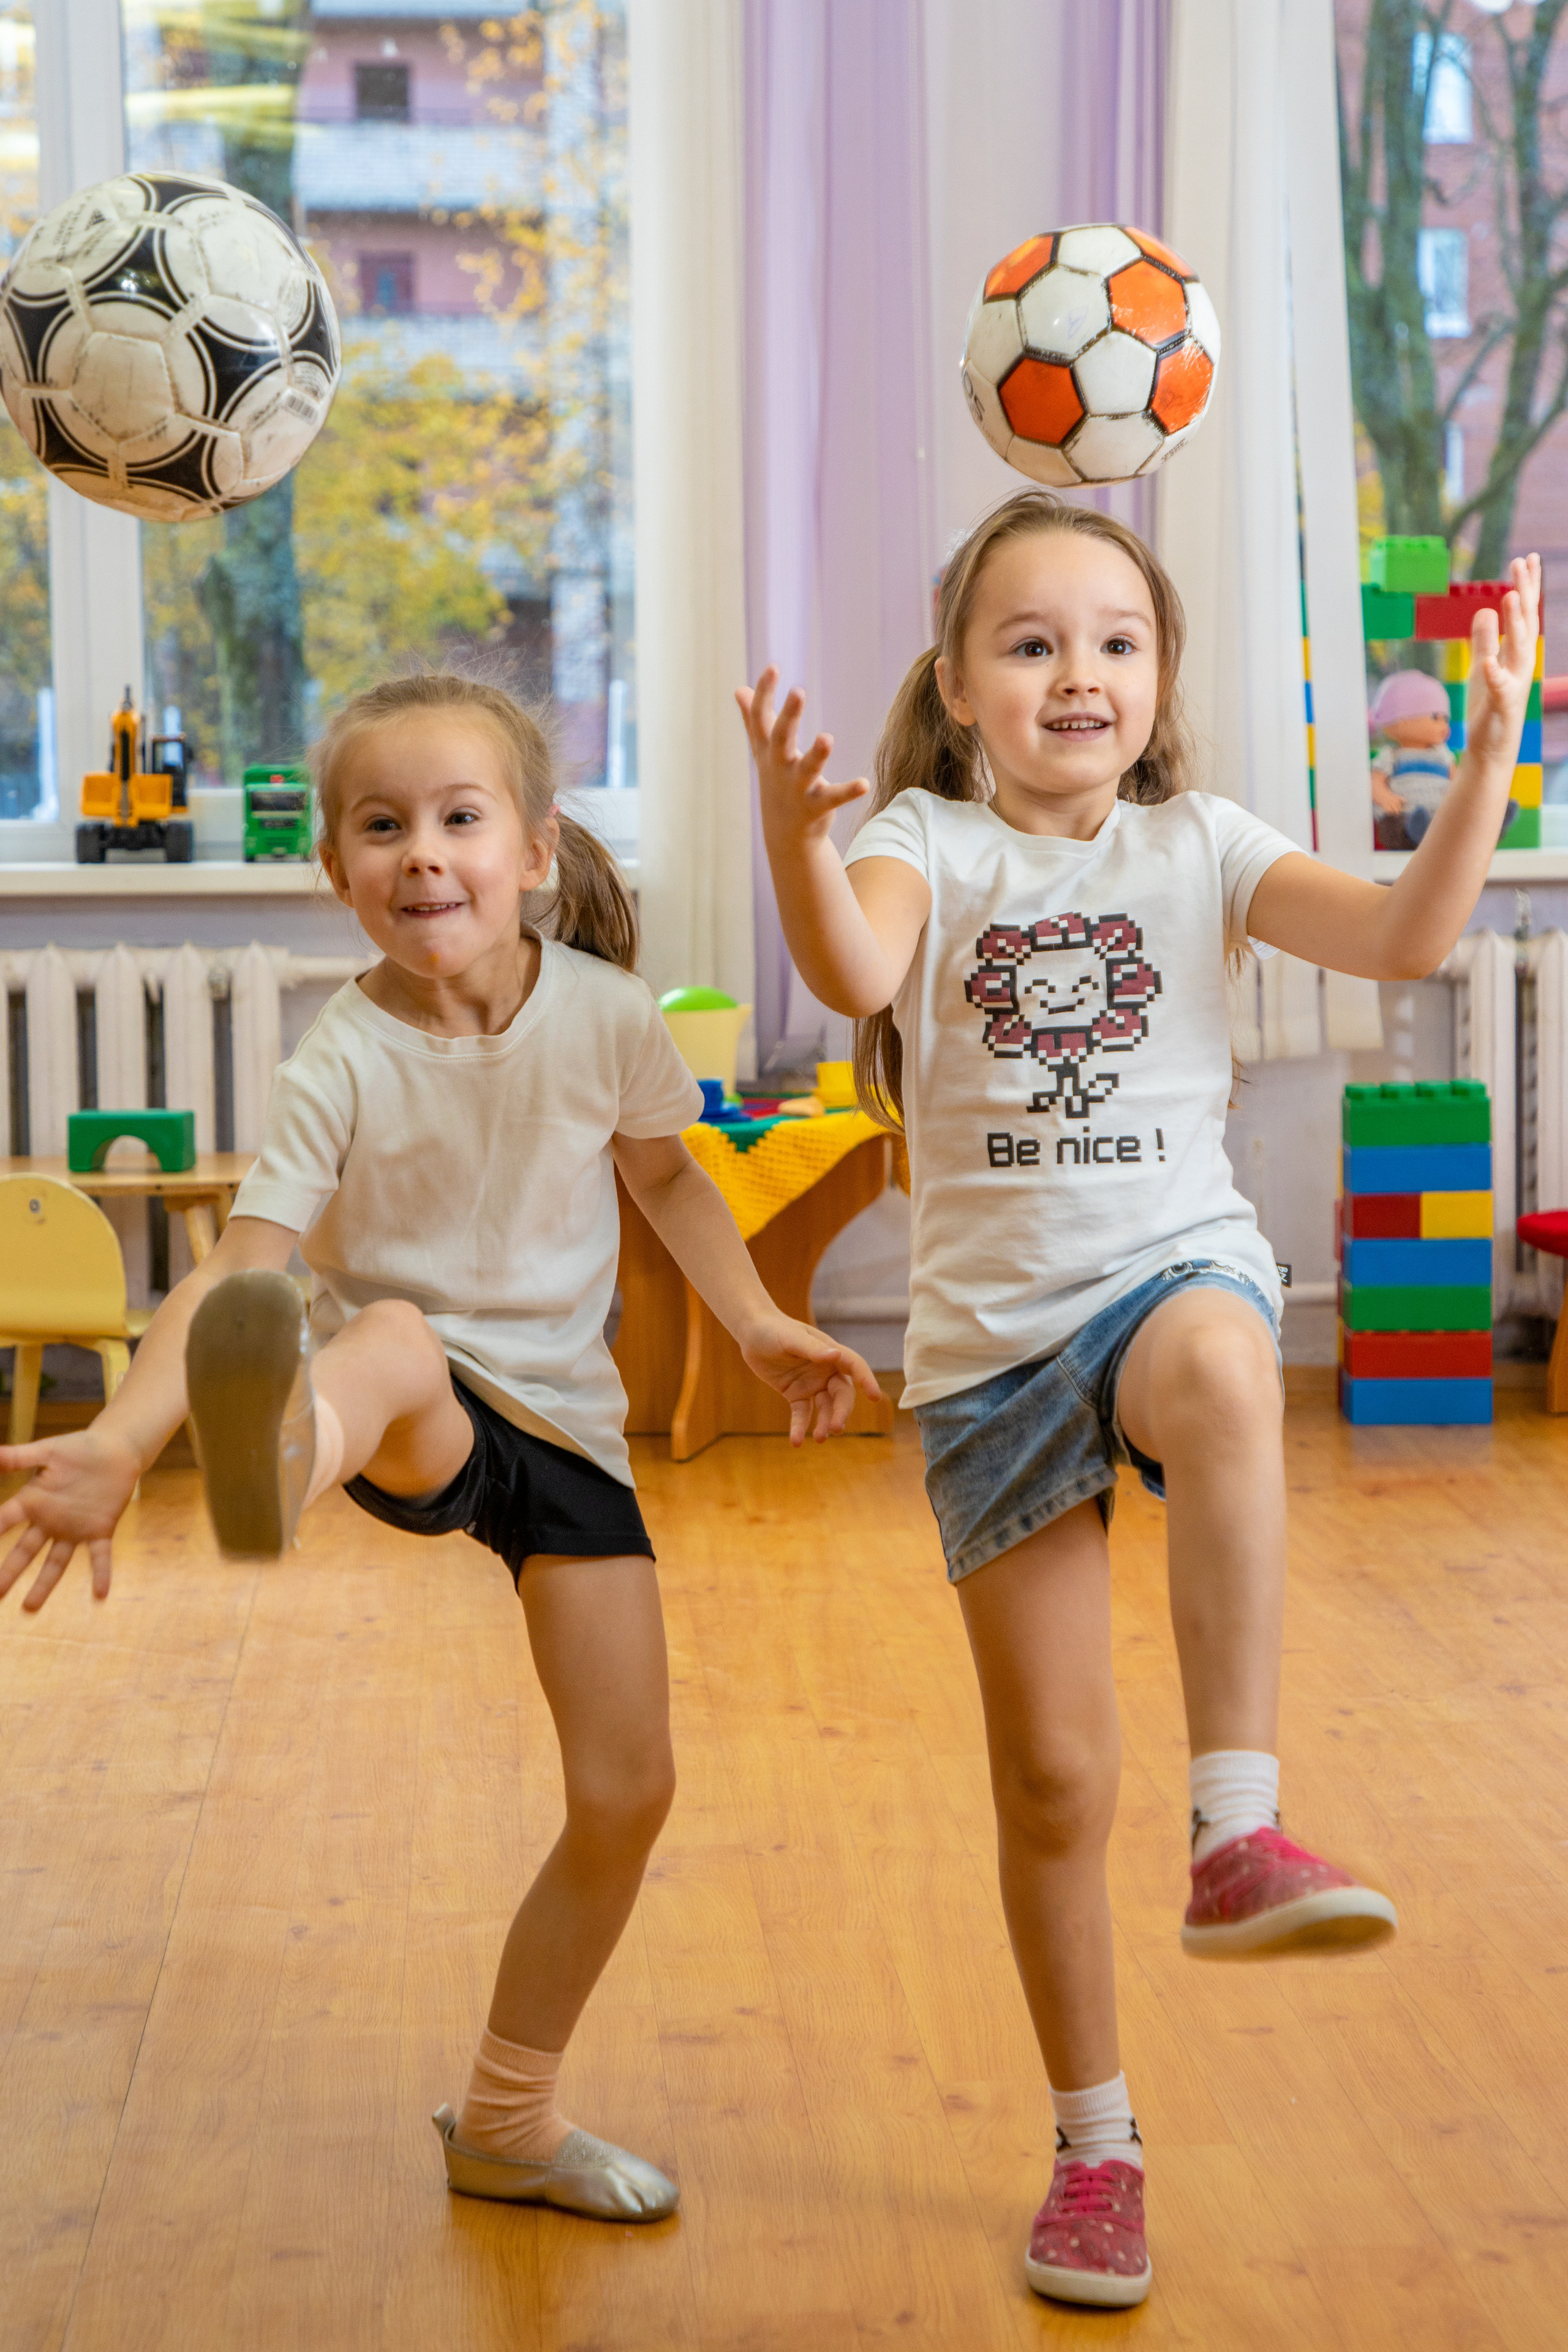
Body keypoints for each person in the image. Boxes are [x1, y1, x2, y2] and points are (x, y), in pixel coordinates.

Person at [739, 489, 1539, 2311]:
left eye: (1116, 640)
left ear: (1163, 679)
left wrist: (1488, 749)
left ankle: (1238, 1823)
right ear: (957, 687)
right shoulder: (926, 848)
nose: (1076, 672)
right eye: (1030, 644)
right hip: (993, 1359)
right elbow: (853, 969)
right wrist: (799, 842)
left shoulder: (1204, 846)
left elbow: (1409, 940)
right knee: (1046, 1780)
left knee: (1229, 1365)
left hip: (1166, 1268)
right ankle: (1097, 2148)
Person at [0, 666, 880, 2225]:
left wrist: (752, 1325)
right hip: (415, 1404)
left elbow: (671, 1184)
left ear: (533, 852)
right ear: (337, 876)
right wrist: (127, 1442)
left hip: (568, 1430)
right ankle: (284, 1444)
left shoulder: (607, 1019)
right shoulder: (342, 1051)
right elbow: (242, 1260)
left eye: (457, 819)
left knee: (628, 1791)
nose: (421, 852)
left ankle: (506, 2120)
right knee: (393, 1336)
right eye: (380, 826)